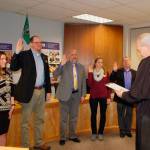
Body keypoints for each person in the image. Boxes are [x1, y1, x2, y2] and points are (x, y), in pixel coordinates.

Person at [10, 36, 51, 150]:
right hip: (29, 92)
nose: (39, 44)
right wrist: (17, 53)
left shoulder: (44, 57)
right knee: (25, 122)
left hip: (41, 91)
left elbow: (46, 76)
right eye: (37, 42)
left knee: (40, 119)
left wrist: (48, 91)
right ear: (31, 44)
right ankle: (25, 146)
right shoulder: (24, 55)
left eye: (40, 42)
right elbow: (13, 67)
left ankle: (38, 143)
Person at [115, 33, 150, 150]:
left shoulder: (146, 63)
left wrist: (122, 94)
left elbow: (139, 92)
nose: (138, 51)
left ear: (145, 46)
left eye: (138, 48)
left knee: (144, 144)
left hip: (146, 113)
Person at [53, 50, 86, 145]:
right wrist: (61, 65)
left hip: (76, 96)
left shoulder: (81, 67)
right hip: (64, 96)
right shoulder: (64, 65)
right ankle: (62, 137)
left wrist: (83, 94)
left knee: (74, 117)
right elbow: (55, 74)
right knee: (63, 118)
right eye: (72, 54)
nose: (74, 56)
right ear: (69, 56)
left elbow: (83, 82)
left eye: (76, 54)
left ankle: (72, 135)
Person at [110, 57, 136, 138]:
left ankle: (128, 130)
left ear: (130, 62)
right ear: (123, 63)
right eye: (124, 61)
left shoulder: (135, 72)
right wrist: (114, 71)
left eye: (127, 60)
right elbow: (111, 79)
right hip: (120, 97)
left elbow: (137, 84)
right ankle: (122, 130)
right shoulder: (118, 71)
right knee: (120, 114)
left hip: (130, 97)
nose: (126, 62)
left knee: (129, 114)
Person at [88, 57, 110, 141]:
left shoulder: (105, 72)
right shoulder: (91, 72)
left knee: (103, 115)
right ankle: (94, 133)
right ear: (95, 63)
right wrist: (90, 73)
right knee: (93, 115)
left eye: (102, 62)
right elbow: (89, 84)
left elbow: (108, 86)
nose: (100, 64)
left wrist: (108, 97)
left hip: (103, 97)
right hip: (93, 97)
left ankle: (101, 132)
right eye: (99, 62)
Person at [0, 51, 15, 146]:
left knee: (3, 134)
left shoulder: (9, 72)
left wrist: (12, 105)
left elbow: (12, 90)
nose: (5, 61)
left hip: (6, 110)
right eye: (2, 59)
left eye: (5, 59)